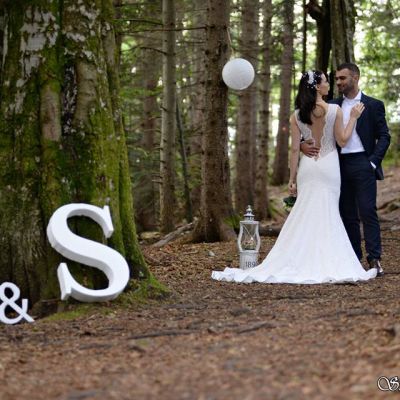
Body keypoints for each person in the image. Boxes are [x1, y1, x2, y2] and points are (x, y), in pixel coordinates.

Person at [212, 70, 377, 284]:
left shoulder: (297, 115)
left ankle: (300, 257)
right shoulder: (334, 110)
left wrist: (292, 179)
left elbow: (294, 150)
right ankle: (325, 259)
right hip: (328, 166)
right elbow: (343, 141)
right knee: (328, 211)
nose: (329, 84)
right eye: (325, 81)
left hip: (308, 167)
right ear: (317, 86)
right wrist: (353, 117)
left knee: (305, 210)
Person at [301, 63, 390, 276]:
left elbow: (384, 136)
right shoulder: (331, 105)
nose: (338, 82)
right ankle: (353, 258)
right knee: (347, 213)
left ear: (355, 78)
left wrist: (372, 162)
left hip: (363, 163)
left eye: (342, 78)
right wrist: (302, 145)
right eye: (337, 78)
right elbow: (309, 127)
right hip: (337, 164)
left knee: (367, 211)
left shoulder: (373, 105)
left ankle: (374, 258)